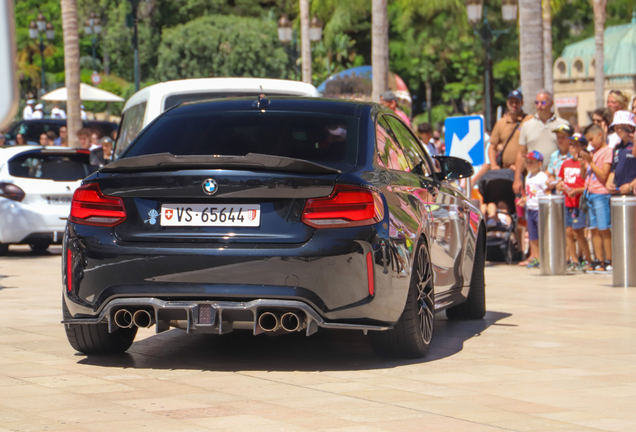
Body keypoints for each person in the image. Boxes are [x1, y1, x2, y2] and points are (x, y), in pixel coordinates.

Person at [513, 89, 568, 194]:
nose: (539, 106)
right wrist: (517, 178)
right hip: (534, 180)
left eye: (543, 102)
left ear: (551, 103)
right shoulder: (526, 126)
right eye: (536, 103)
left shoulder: (562, 125)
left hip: (557, 181)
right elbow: (521, 153)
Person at [557, 134, 592, 271]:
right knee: (568, 232)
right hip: (568, 202)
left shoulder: (585, 164)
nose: (573, 148)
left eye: (577, 145)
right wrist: (560, 186)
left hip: (579, 202)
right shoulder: (565, 164)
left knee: (579, 232)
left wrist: (577, 190)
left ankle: (588, 259)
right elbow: (560, 181)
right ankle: (574, 260)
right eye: (571, 145)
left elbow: (588, 185)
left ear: (583, 147)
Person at [581, 123, 613, 273]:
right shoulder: (592, 152)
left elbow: (603, 174)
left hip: (601, 194)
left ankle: (609, 260)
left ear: (600, 135)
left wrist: (591, 162)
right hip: (590, 194)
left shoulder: (607, 152)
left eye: (591, 139)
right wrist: (584, 165)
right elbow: (584, 177)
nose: (590, 143)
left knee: (604, 228)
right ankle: (598, 260)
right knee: (593, 229)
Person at [517, 151, 549, 268]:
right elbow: (529, 194)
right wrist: (524, 199)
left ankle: (544, 257)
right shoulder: (528, 177)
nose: (528, 164)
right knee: (532, 235)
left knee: (542, 234)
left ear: (539, 164)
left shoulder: (542, 177)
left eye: (531, 162)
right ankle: (536, 257)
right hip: (530, 209)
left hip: (540, 209)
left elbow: (547, 191)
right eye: (527, 162)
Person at [489, 89, 532, 171]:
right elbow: (492, 146)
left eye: (517, 102)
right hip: (504, 170)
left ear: (522, 103)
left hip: (524, 170)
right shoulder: (501, 123)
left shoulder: (529, 120)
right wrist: (493, 165)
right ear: (507, 103)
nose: (514, 105)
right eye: (511, 102)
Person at [606, 111, 636, 195]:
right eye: (616, 127)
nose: (618, 130)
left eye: (622, 126)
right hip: (620, 192)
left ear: (631, 127)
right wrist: (608, 183)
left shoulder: (634, 144)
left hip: (633, 192)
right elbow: (613, 170)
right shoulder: (617, 147)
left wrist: (630, 186)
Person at [547, 124, 574, 188]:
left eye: (563, 137)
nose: (560, 140)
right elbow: (551, 173)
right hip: (559, 193)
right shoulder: (554, 155)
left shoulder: (575, 155)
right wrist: (550, 180)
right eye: (558, 137)